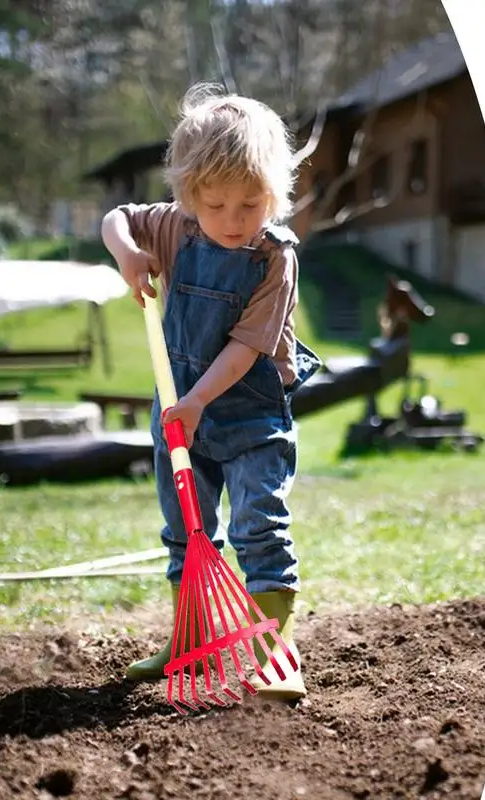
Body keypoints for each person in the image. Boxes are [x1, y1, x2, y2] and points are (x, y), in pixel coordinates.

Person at [101, 83, 321, 701]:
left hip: (247, 413)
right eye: (216, 204)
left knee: (258, 525)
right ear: (189, 195)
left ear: (274, 195)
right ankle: (191, 642)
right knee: (186, 532)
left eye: (250, 204)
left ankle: (272, 650)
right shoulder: (174, 228)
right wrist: (128, 256)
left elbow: (247, 346)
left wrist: (198, 402)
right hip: (178, 414)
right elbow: (116, 218)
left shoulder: (275, 255)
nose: (232, 220)